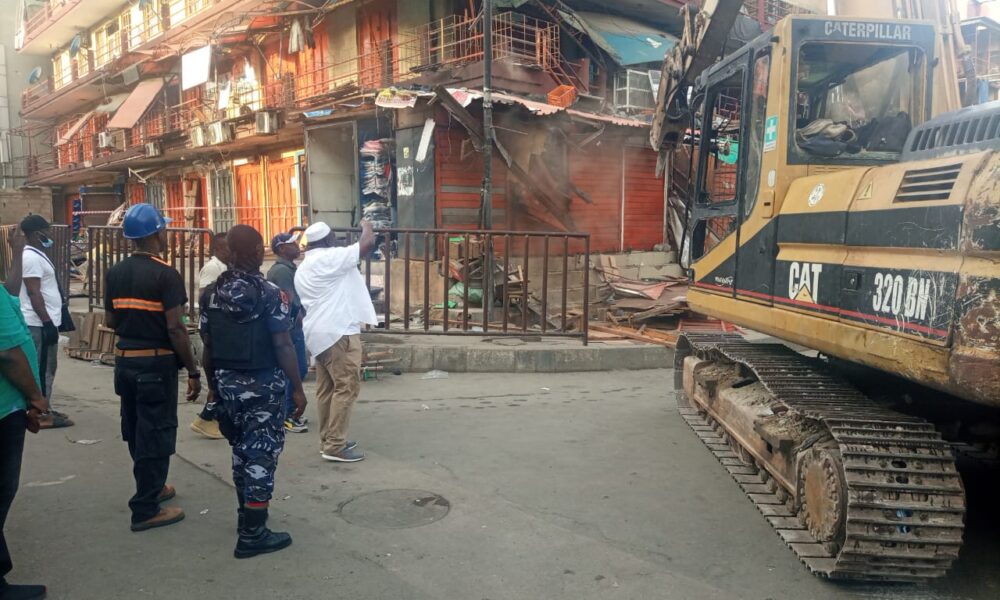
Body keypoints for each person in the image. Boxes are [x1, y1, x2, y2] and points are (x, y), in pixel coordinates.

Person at [200, 225, 306, 559]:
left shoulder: (211, 294)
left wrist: (214, 387)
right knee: (260, 454)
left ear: (228, 251)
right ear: (260, 251)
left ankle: (247, 514)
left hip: (228, 383)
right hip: (263, 385)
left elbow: (208, 346)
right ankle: (253, 534)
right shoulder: (271, 293)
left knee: (240, 451)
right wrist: (298, 390)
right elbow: (283, 343)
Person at [104, 203, 201, 532]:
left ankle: (154, 487)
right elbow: (176, 328)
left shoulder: (115, 273)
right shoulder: (165, 274)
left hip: (125, 363)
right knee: (156, 432)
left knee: (135, 427)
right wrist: (193, 370)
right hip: (155, 365)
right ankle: (145, 508)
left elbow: (110, 321)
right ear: (156, 234)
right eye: (164, 229)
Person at [295, 221, 376, 463]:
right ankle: (335, 445)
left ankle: (328, 440)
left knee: (327, 390)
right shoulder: (328, 259)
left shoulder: (305, 266)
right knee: (346, 387)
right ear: (328, 240)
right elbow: (366, 244)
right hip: (338, 333)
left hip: (319, 335)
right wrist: (367, 225)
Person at [0, 228, 48, 600]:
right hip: (3, 412)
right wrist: (34, 395)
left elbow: (10, 291)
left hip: (9, 407)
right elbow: (8, 355)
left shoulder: (1, 294)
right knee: (2, 489)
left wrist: (15, 252)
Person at [19, 214, 72, 429]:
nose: (49, 235)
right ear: (35, 234)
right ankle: (40, 415)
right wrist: (47, 322)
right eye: (46, 231)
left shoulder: (37, 254)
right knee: (42, 369)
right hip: (38, 323)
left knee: (48, 367)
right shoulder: (30, 258)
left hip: (44, 322)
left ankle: (44, 407)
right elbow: (34, 293)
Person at [266, 232, 309, 434]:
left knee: (296, 370)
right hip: (290, 329)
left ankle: (289, 411)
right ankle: (288, 415)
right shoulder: (283, 271)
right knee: (296, 370)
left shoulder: (287, 268)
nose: (297, 246)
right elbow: (289, 300)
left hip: (289, 327)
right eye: (292, 243)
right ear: (281, 248)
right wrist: (299, 319)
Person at [190, 232, 230, 440]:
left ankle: (210, 419)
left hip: (220, 329)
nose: (229, 251)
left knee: (221, 379)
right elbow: (204, 296)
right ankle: (207, 419)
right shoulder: (213, 268)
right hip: (213, 328)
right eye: (226, 248)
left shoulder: (225, 267)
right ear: (216, 249)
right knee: (217, 378)